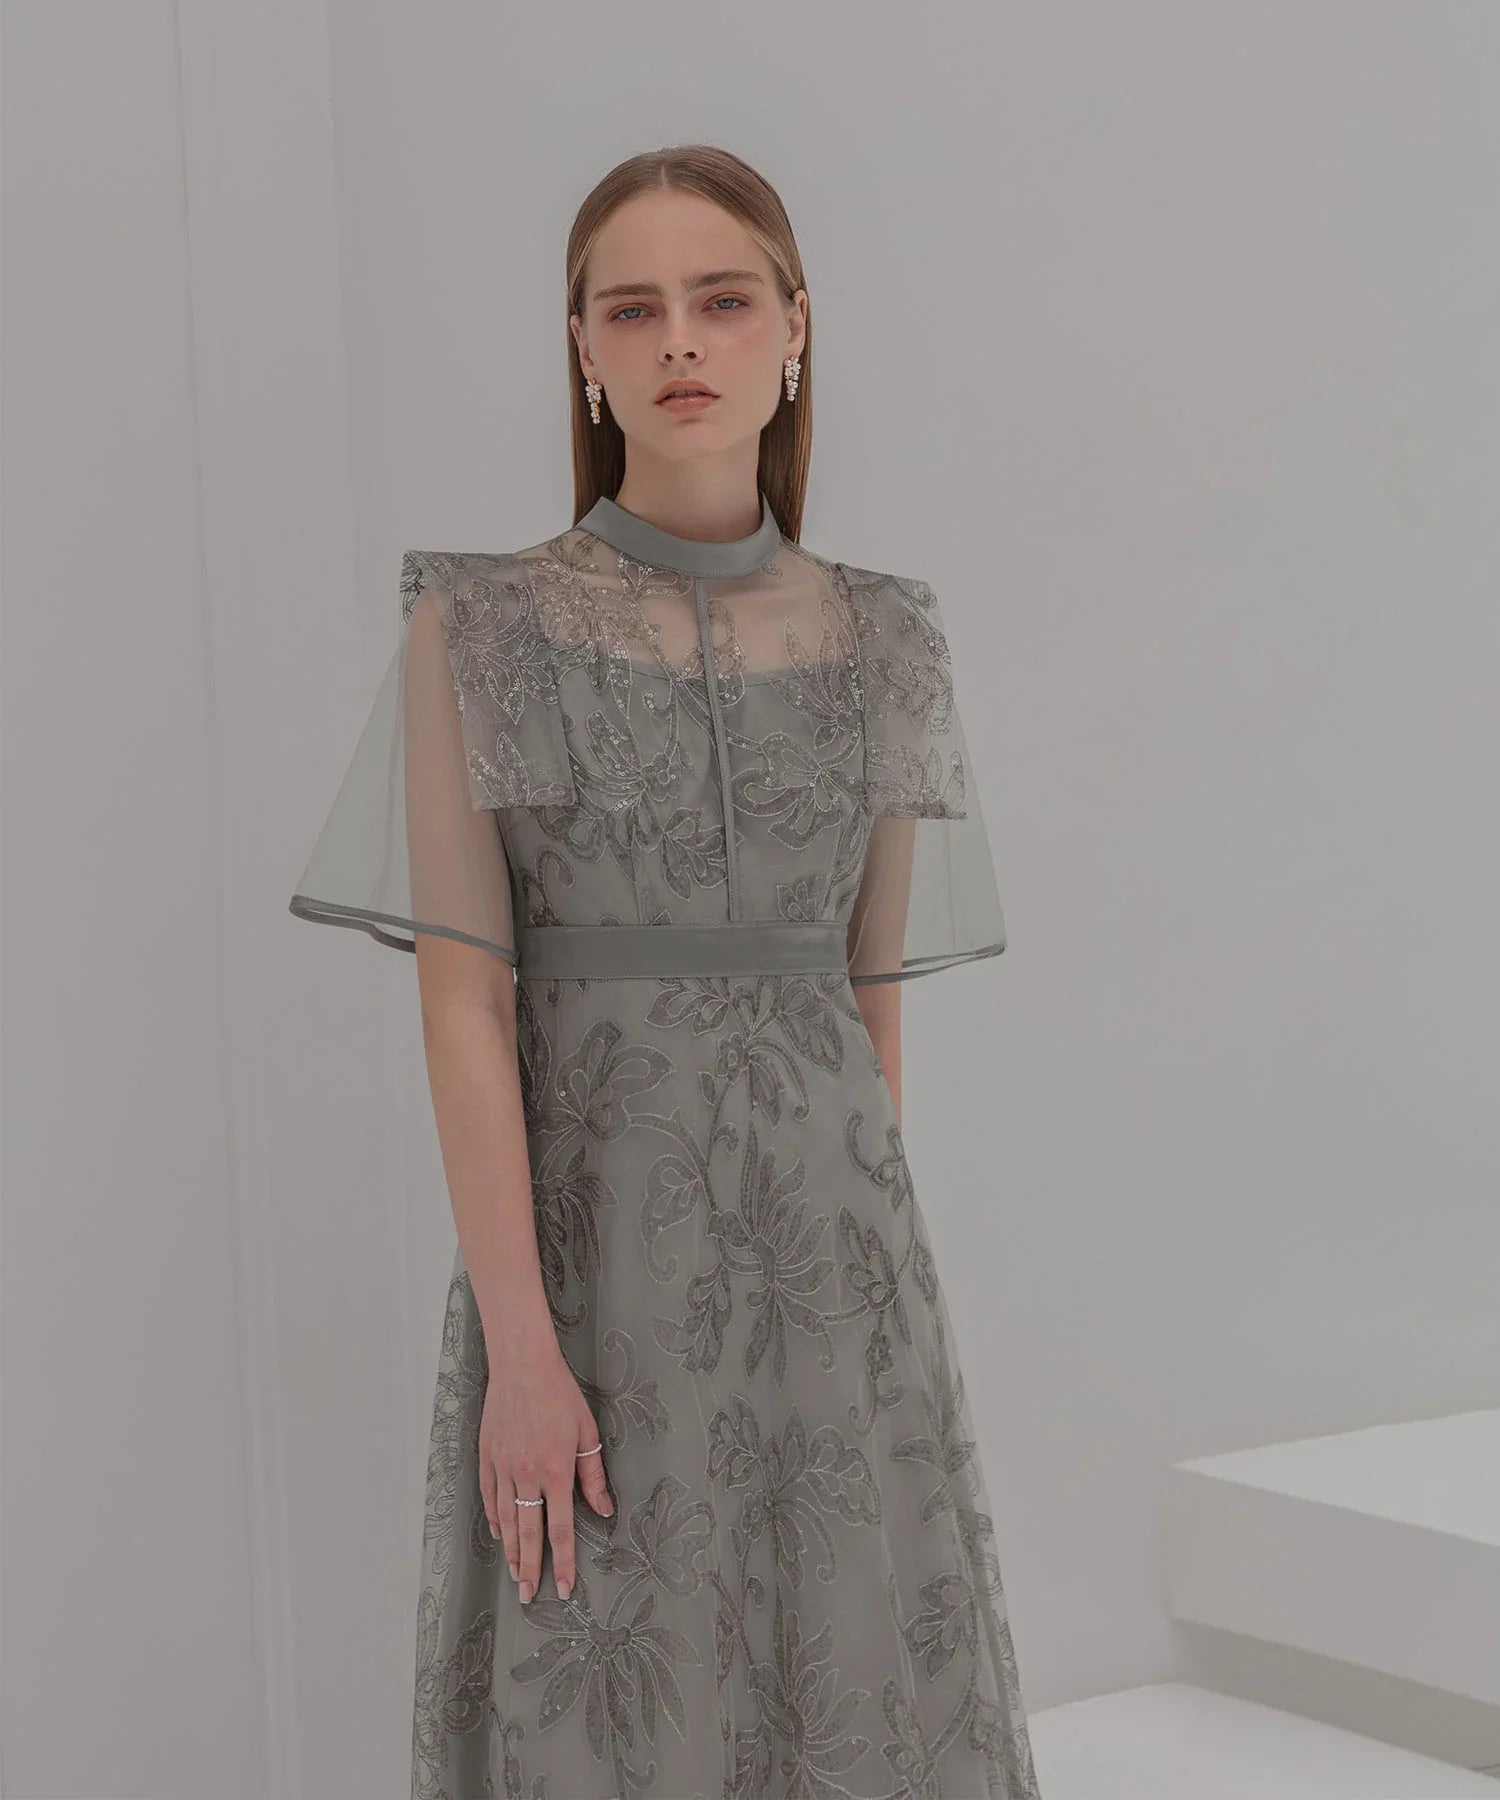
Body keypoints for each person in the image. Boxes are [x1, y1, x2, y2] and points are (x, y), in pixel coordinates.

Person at [289, 142, 1042, 1800]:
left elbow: (867, 1003)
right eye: (632, 308)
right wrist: (523, 1350)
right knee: (610, 1691)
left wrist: (869, 1313)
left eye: (723, 299)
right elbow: (464, 1001)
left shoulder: (888, 639)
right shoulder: (481, 628)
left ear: (795, 329)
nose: (680, 340)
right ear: (582, 345)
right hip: (595, 1271)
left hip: (840, 1275)